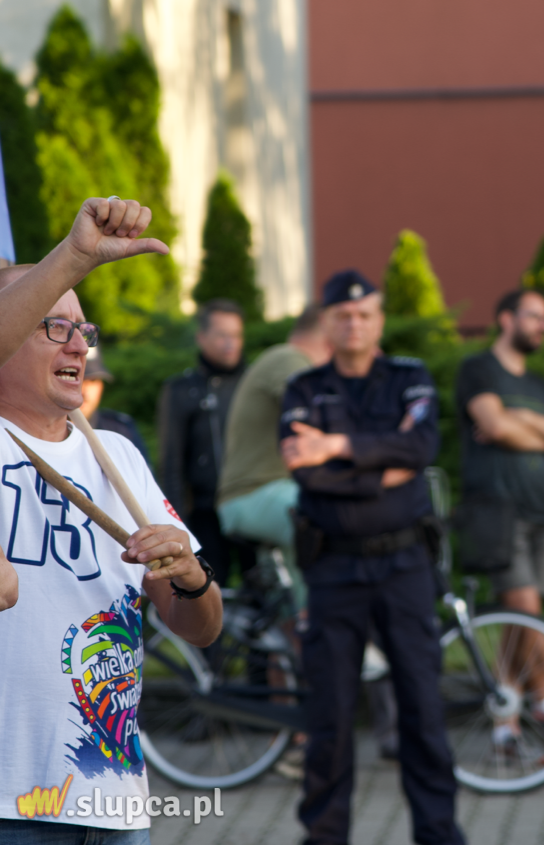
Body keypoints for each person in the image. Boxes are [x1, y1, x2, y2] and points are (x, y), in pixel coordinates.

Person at [0, 197, 223, 844]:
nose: (80, 345)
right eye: (53, 325)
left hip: (113, 803)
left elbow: (201, 627)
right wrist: (72, 256)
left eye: (85, 330)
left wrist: (189, 576)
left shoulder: (117, 454)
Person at [279, 270, 464, 845]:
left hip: (404, 565)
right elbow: (303, 470)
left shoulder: (410, 378)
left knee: (422, 708)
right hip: (333, 567)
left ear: (378, 320)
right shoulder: (303, 389)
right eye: (343, 315)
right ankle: (324, 835)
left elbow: (420, 447)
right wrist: (385, 473)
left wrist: (335, 448)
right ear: (328, 323)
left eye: (365, 314)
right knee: (329, 714)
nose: (354, 322)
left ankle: (438, 834)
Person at [454, 289, 544, 747]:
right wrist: (535, 430)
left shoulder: (539, 385)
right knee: (524, 609)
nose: (543, 325)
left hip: (542, 510)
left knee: (528, 613)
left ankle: (508, 710)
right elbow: (494, 426)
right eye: (535, 316)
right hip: (497, 510)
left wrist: (517, 425)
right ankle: (543, 702)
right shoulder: (478, 370)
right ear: (505, 318)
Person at [217, 304, 331, 607]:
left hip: (261, 494)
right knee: (327, 519)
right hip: (252, 495)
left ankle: (293, 632)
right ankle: (320, 629)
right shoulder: (289, 359)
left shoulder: (286, 359)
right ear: (326, 330)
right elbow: (324, 414)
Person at [158, 298, 250, 585]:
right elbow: (171, 463)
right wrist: (177, 526)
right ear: (202, 337)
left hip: (251, 506)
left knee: (267, 598)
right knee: (209, 593)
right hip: (204, 513)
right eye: (222, 335)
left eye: (236, 335)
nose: (230, 344)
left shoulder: (253, 384)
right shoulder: (182, 390)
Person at [80, 345, 151, 464]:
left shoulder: (121, 431)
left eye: (93, 381)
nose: (84, 391)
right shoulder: (41, 437)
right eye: (76, 378)